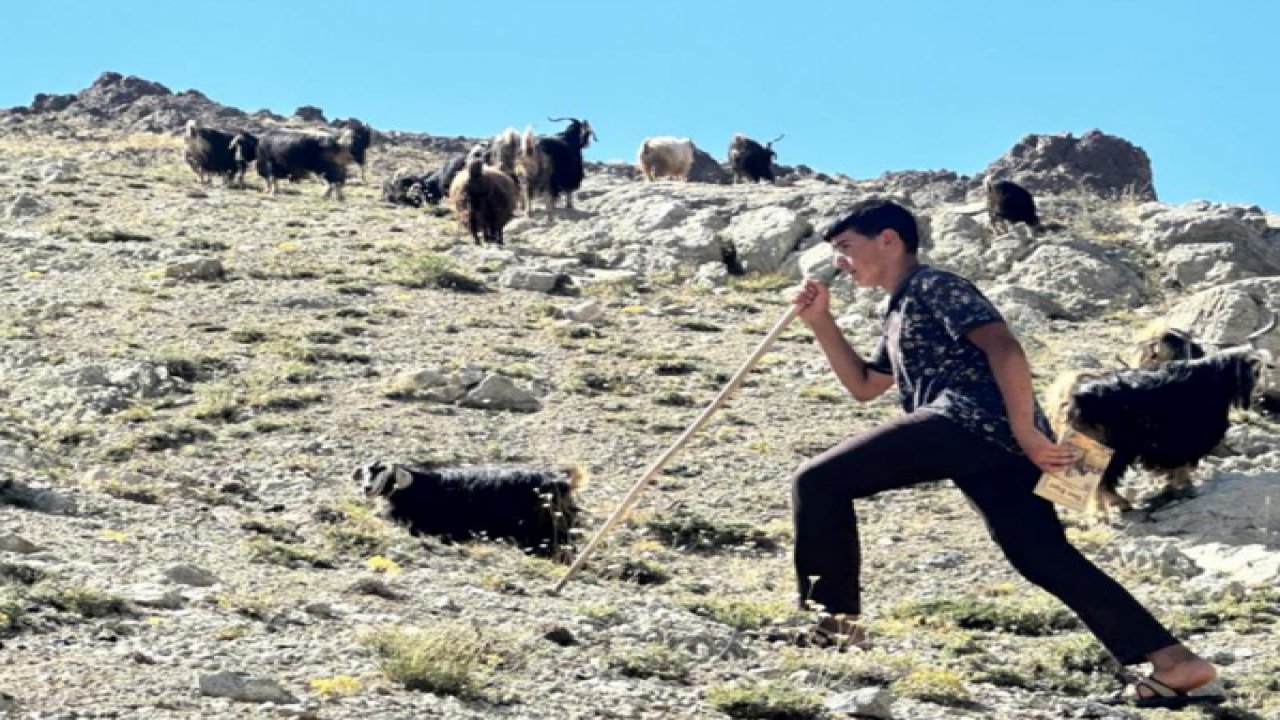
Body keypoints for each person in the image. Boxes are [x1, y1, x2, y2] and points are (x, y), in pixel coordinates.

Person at [788, 198, 1221, 708]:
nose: (839, 261)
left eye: (846, 247)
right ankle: (1175, 662)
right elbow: (865, 385)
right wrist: (821, 322)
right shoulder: (898, 307)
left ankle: (833, 627)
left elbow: (1005, 348)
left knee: (816, 481)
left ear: (889, 239)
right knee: (1042, 556)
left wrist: (1029, 432)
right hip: (992, 445)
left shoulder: (935, 285)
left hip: (966, 421)